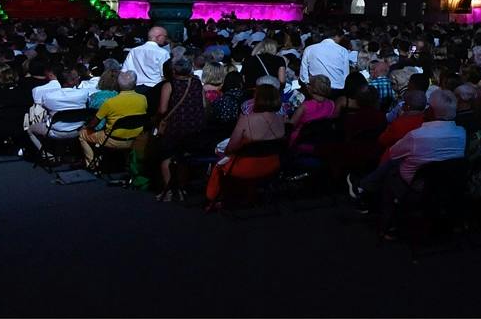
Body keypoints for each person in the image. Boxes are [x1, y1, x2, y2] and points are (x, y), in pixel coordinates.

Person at [352, 86, 467, 239]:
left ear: (431, 111)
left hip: (417, 187)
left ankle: (387, 224)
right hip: (449, 184)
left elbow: (393, 153)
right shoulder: (462, 133)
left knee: (391, 171)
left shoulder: (416, 136)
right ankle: (365, 190)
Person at [207, 81, 286, 210]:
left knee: (222, 160)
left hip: (247, 166)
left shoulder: (247, 119)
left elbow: (231, 147)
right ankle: (248, 196)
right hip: (273, 164)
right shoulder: (280, 120)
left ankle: (217, 199)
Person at [149, 56, 208, 201]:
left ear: (174, 69)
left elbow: (163, 109)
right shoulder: (196, 82)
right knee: (183, 157)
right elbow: (204, 105)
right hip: (194, 126)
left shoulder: (169, 85)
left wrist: (156, 120)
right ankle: (182, 189)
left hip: (174, 127)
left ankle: (168, 191)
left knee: (166, 156)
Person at [81, 73, 148, 167]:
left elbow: (93, 125)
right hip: (135, 138)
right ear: (135, 84)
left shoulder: (109, 102)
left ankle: (92, 164)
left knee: (82, 134)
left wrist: (85, 126)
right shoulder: (143, 99)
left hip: (113, 140)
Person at [299, 28, 356, 93]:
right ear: (336, 36)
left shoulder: (309, 49)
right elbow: (346, 75)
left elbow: (303, 75)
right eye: (340, 38)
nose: (340, 40)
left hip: (316, 90)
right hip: (337, 91)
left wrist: (309, 86)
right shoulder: (343, 51)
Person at [123, 26, 170, 104]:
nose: (166, 39)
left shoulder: (134, 51)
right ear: (159, 37)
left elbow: (125, 71)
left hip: (135, 90)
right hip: (155, 91)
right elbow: (165, 75)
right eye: (165, 36)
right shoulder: (163, 53)